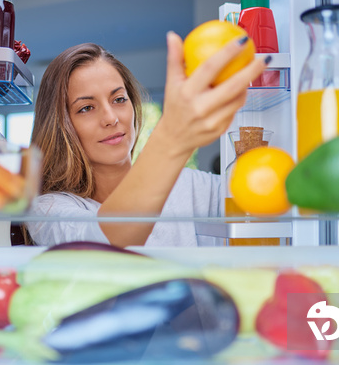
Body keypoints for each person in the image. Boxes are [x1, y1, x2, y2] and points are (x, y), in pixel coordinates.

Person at [24, 32, 269, 248]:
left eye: (119, 99)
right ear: (60, 125)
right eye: (87, 108)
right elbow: (107, 243)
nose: (110, 118)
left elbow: (267, 198)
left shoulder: (187, 186)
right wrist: (172, 137)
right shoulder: (48, 210)